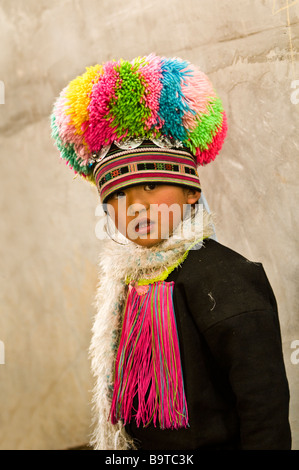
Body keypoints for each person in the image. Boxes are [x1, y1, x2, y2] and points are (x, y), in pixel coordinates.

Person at [51, 54, 291, 450]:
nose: (136, 206)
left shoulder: (225, 278)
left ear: (191, 191)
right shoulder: (129, 279)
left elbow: (263, 405)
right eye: (119, 195)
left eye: (150, 187)